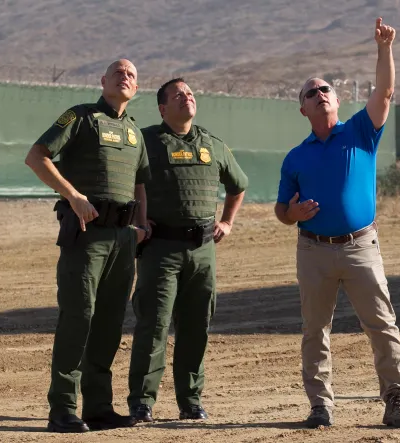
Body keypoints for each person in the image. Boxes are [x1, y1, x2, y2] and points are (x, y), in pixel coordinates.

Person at [274, 18, 400, 428]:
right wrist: (292, 215)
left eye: (325, 90)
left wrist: (384, 48)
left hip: (359, 247)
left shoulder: (360, 132)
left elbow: (385, 91)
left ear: (336, 101)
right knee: (315, 331)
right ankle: (320, 406)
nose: (319, 95)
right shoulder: (295, 158)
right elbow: (281, 211)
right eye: (310, 93)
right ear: (302, 108)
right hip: (313, 249)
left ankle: (397, 400)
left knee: (381, 325)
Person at [24, 59, 151, 433]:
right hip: (86, 234)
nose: (124, 75)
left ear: (136, 88)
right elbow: (36, 157)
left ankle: (98, 408)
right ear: (103, 81)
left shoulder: (134, 133)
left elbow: (141, 182)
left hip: (123, 239)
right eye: (118, 71)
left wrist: (142, 225)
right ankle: (62, 408)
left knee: (110, 324)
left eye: (131, 74)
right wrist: (74, 195)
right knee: (78, 317)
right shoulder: (79, 117)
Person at [126, 78, 248, 422]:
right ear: (163, 108)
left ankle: (190, 400)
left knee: (197, 326)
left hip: (203, 249)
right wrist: (138, 219)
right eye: (178, 94)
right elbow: (130, 180)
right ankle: (142, 402)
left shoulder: (211, 143)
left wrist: (227, 221)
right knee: (154, 324)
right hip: (160, 247)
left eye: (190, 93)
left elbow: (238, 185)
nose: (187, 97)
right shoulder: (147, 141)